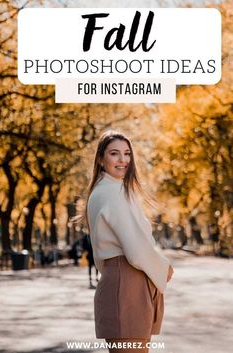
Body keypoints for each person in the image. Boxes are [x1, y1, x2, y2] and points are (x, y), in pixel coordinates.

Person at [86, 131, 174, 353]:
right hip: (127, 283)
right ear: (100, 158)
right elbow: (135, 250)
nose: (123, 160)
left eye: (127, 154)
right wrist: (164, 268)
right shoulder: (112, 192)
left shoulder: (107, 190)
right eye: (114, 153)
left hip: (122, 280)